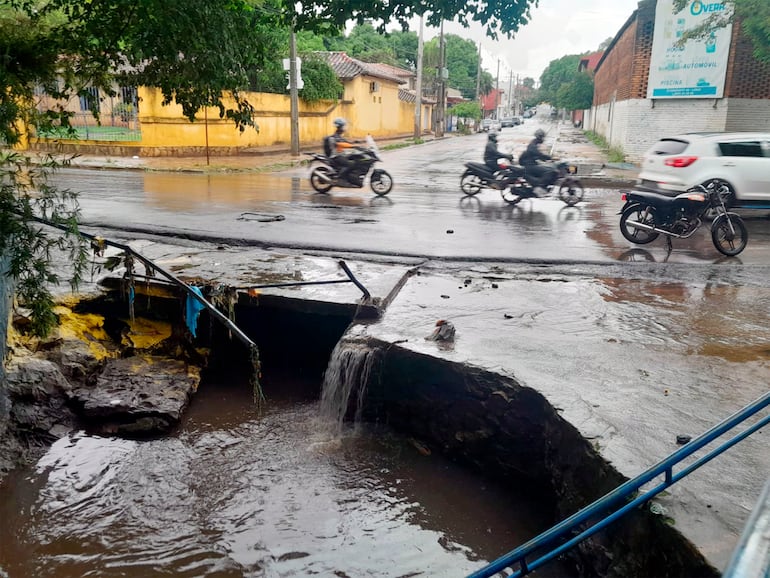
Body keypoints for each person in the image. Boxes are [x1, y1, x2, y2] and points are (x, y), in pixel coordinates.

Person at [325, 118, 361, 184]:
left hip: (342, 155)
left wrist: (354, 142)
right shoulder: (334, 137)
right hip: (336, 156)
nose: (344, 128)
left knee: (355, 160)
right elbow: (341, 144)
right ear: (339, 127)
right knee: (350, 165)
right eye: (343, 127)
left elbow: (346, 142)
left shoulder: (339, 136)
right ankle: (341, 178)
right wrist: (352, 146)